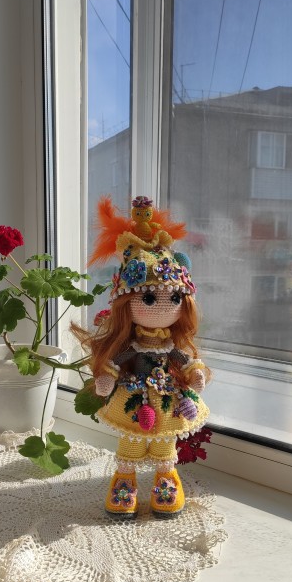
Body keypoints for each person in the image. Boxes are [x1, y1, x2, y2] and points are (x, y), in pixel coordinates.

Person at [74, 196, 210, 519]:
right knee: (130, 445)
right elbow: (116, 360)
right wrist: (106, 378)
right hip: (134, 397)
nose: (165, 306)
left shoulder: (170, 345)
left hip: (166, 399)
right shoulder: (132, 345)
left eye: (174, 298)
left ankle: (166, 477)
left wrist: (195, 372)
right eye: (148, 298)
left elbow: (185, 358)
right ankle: (125, 480)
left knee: (165, 445)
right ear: (127, 303)